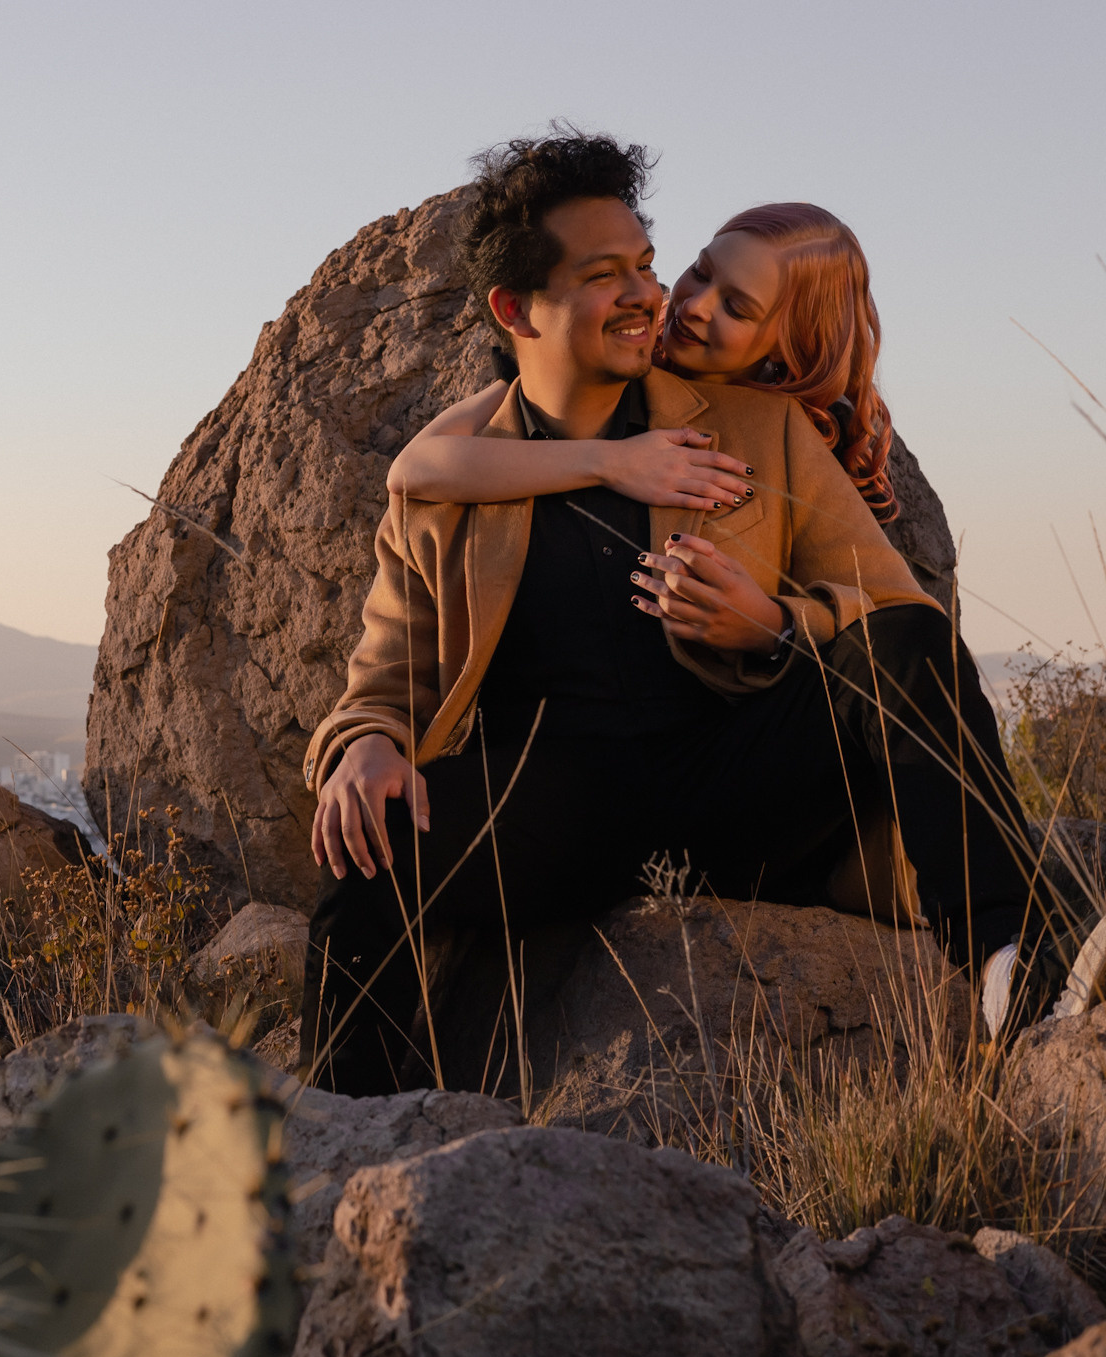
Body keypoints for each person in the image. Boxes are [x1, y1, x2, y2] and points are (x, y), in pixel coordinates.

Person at [297, 128, 1052, 1099]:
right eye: (603, 274)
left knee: (909, 643)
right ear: (514, 308)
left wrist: (775, 624)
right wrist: (365, 742)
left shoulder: (756, 427)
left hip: (737, 789)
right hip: (553, 808)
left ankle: (1009, 961)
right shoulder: (453, 479)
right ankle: (340, 1133)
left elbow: (892, 609)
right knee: (368, 845)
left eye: (648, 265)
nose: (649, 295)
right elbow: (385, 672)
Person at [383, 201, 942, 594]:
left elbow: (880, 607)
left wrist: (771, 625)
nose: (694, 305)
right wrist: (613, 461)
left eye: (736, 308)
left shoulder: (791, 435)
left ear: (788, 343)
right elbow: (417, 468)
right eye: (701, 272)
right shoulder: (612, 368)